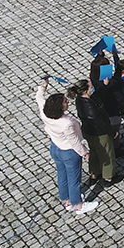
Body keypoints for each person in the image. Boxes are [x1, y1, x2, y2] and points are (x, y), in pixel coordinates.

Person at [36, 78, 98, 214]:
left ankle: (66, 200)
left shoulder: (44, 111)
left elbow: (39, 97)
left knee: (62, 174)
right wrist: (85, 152)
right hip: (69, 152)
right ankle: (78, 205)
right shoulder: (66, 123)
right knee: (74, 179)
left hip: (55, 148)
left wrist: (43, 86)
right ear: (60, 107)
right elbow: (74, 141)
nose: (67, 102)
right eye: (65, 102)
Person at [67, 79, 122, 187]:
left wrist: (103, 86)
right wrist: (111, 132)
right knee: (107, 154)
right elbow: (100, 123)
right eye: (91, 87)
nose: (92, 88)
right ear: (86, 91)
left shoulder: (80, 99)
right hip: (99, 134)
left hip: (88, 132)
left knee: (94, 152)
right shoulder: (90, 106)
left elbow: (96, 96)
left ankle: (94, 173)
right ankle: (108, 177)